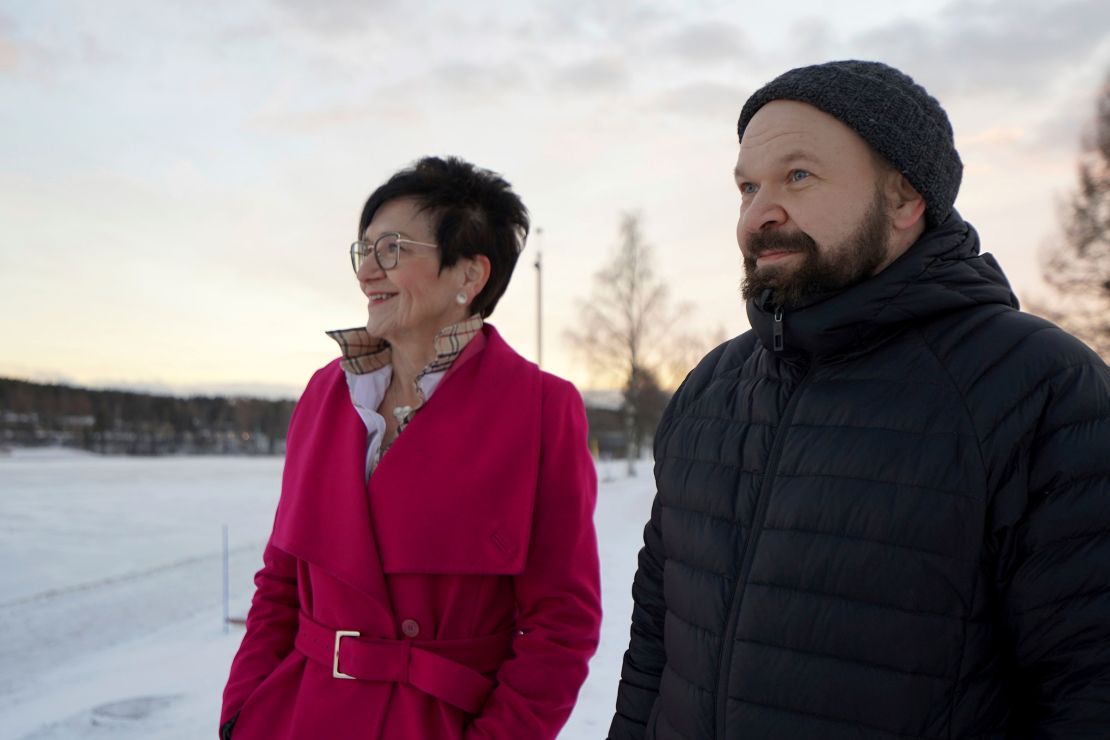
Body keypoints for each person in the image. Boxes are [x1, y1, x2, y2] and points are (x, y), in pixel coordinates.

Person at [608, 60, 1110, 739]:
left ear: (905, 198)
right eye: (747, 186)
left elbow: (1087, 693)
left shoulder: (1036, 388)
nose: (759, 214)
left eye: (798, 176)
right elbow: (653, 657)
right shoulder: (710, 391)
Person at [221, 156, 601, 739]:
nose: (367, 271)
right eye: (363, 249)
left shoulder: (540, 409)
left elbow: (562, 626)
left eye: (393, 248)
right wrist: (243, 713)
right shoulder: (326, 393)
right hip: (294, 716)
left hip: (433, 722)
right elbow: (279, 581)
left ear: (469, 277)